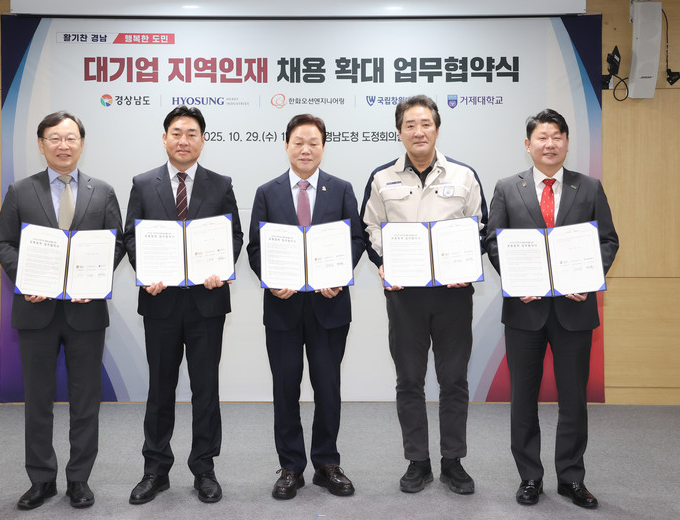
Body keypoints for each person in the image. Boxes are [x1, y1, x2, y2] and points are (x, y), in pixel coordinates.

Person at [485, 109, 618, 509]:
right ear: (528, 145)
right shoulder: (507, 187)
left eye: (557, 136)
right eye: (542, 137)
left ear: (566, 142)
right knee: (523, 399)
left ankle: (571, 479)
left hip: (574, 310)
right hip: (525, 312)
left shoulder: (588, 187)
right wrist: (517, 280)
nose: (550, 144)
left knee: (573, 399)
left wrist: (587, 277)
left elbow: (608, 240)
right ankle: (530, 477)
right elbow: (493, 241)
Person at [0, 111, 125, 510]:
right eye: (54, 138)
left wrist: (93, 280)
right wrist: (28, 279)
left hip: (86, 313)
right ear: (41, 144)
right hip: (37, 312)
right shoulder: (20, 190)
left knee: (86, 401)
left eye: (70, 138)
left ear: (81, 143)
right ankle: (41, 480)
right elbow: (3, 243)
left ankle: (79, 480)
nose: (63, 145)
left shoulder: (103, 191)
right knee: (38, 401)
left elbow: (117, 243)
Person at [360, 95, 487, 495]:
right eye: (410, 125)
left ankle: (453, 461)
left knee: (454, 380)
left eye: (426, 124)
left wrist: (466, 263)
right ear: (399, 131)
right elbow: (370, 227)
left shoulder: (464, 175)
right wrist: (384, 262)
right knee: (409, 380)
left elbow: (480, 227)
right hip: (405, 296)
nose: (419, 131)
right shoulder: (382, 178)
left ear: (437, 128)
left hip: (453, 295)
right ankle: (418, 461)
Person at [123, 105, 243, 504]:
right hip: (160, 302)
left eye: (192, 133)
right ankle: (155, 470)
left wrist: (221, 269)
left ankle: (204, 469)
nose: (183, 140)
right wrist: (146, 271)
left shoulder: (220, 184)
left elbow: (234, 235)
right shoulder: (143, 184)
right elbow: (131, 236)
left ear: (202, 140)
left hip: (207, 303)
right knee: (160, 389)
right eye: (176, 133)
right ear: (164, 138)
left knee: (205, 389)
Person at [247, 114, 365, 500]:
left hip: (329, 306)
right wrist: (271, 278)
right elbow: (255, 247)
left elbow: (356, 239)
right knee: (285, 388)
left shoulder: (342, 189)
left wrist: (340, 274)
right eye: (298, 142)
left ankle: (327, 463)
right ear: (286, 145)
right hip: (282, 307)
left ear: (323, 147)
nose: (305, 149)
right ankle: (291, 466)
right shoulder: (267, 192)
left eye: (313, 143)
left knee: (328, 387)